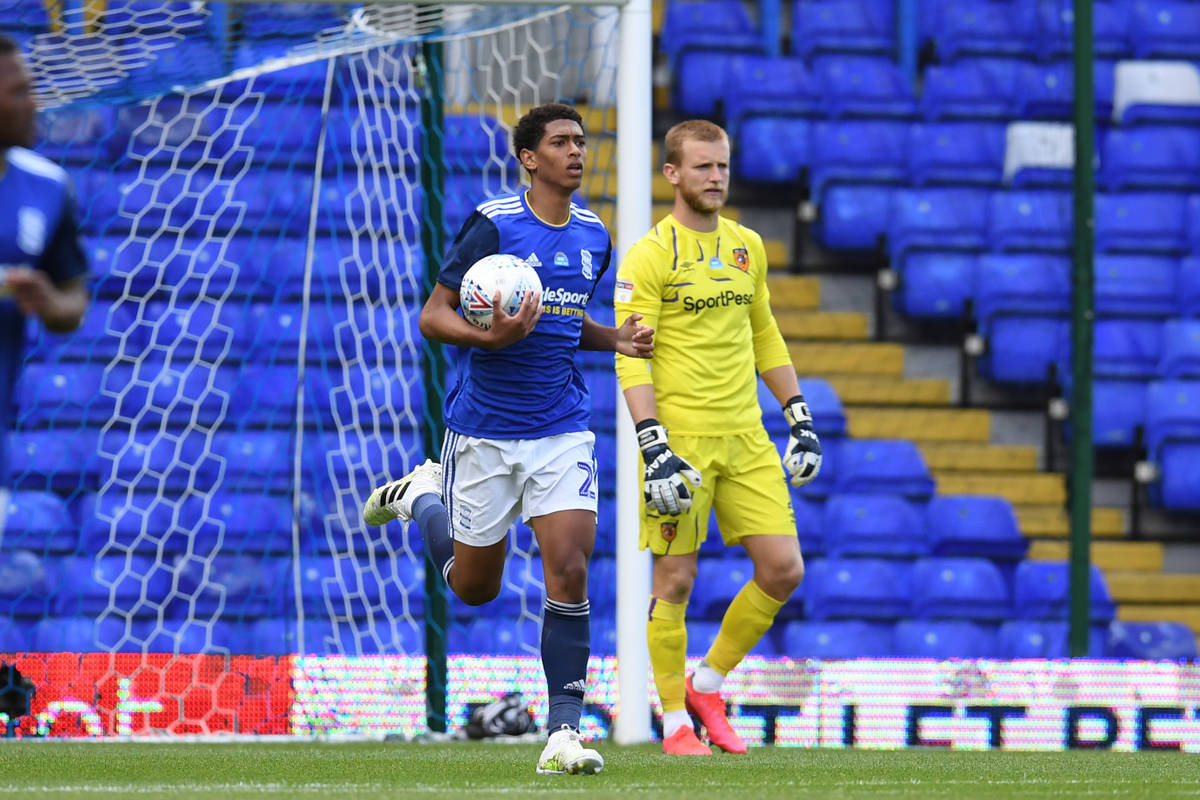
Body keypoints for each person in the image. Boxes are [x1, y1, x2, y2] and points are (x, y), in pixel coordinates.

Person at [362, 102, 653, 775]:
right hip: (484, 433)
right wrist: (487, 336)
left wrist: (617, 338)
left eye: (581, 141)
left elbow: (562, 319)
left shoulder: (592, 235)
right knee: (473, 589)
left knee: (572, 569)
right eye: (560, 142)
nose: (577, 152)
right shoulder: (493, 225)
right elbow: (433, 317)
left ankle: (563, 733)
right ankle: (422, 497)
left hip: (560, 428)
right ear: (530, 158)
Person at [613, 120, 822, 756]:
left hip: (747, 438)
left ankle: (708, 683)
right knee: (674, 580)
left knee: (784, 569)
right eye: (702, 167)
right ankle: (675, 721)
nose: (716, 177)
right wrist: (651, 443)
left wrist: (799, 415)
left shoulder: (747, 246)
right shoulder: (650, 254)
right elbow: (631, 357)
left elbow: (766, 336)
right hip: (680, 446)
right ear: (672, 174)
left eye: (723, 166)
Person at [0, 35, 90, 479]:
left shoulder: (48, 187)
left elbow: (73, 302)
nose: (35, 102)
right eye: (18, 91)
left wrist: (47, 301)